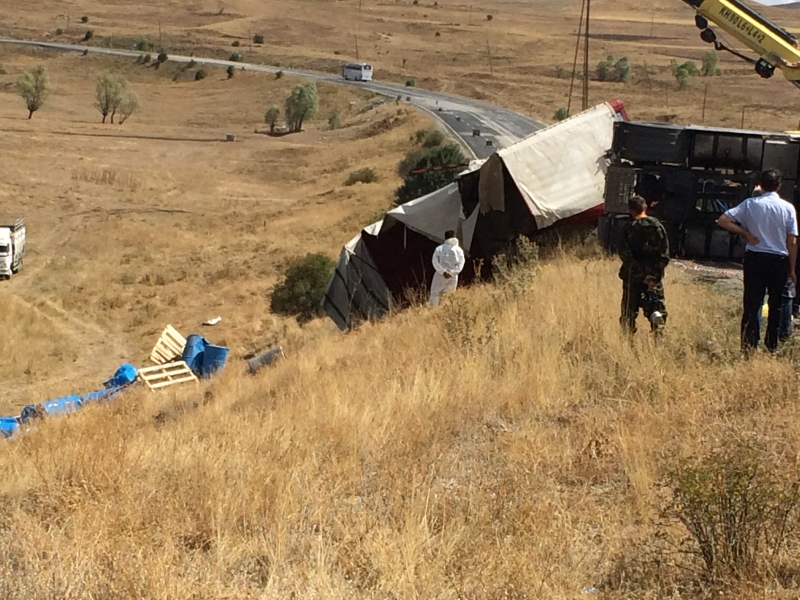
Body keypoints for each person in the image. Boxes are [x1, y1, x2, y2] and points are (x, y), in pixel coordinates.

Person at [717, 169, 798, 353]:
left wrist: (745, 233)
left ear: (760, 184)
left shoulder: (750, 204)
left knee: (753, 303)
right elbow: (792, 240)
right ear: (779, 185)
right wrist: (792, 268)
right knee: (776, 304)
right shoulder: (787, 208)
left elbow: (723, 220)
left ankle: (749, 345)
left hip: (756, 256)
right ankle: (772, 345)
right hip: (778, 258)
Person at [618, 196, 670, 334]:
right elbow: (664, 255)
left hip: (632, 278)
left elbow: (625, 255)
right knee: (656, 309)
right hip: (653, 278)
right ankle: (658, 341)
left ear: (630, 209)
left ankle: (627, 343)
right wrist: (653, 277)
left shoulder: (628, 229)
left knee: (628, 312)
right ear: (645, 207)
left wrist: (640, 275)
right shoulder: (658, 227)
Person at [429, 230, 465, 307]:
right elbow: (461, 264)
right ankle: (446, 310)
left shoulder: (439, 249)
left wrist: (443, 271)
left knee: (435, 292)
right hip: (453, 277)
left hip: (440, 275)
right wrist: (452, 273)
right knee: (449, 294)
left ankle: (433, 310)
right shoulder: (459, 250)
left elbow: (434, 261)